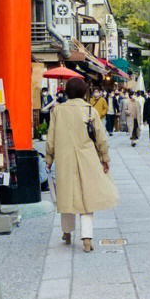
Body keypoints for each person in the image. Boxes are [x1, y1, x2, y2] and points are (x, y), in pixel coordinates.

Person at [45, 77, 118, 252]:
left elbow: (51, 139)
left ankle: (67, 233)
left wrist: (49, 159)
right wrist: (104, 158)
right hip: (87, 158)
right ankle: (87, 238)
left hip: (64, 159)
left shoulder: (58, 111)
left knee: (67, 195)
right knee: (87, 197)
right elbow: (101, 137)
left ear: (66, 92)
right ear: (85, 92)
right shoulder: (89, 110)